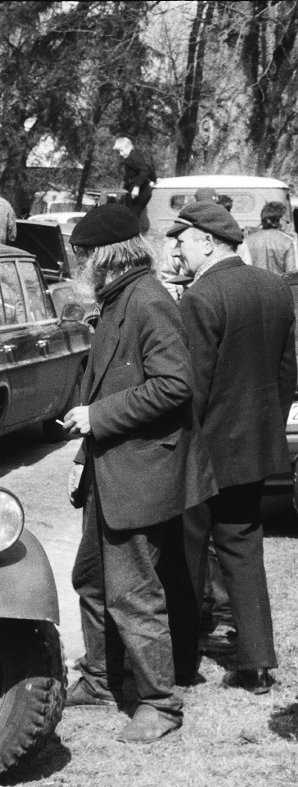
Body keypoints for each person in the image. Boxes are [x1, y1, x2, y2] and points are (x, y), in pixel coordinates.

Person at [59, 204, 213, 743]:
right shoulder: (119, 298)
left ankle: (159, 704)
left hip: (140, 472)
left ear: (106, 256)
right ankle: (101, 680)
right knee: (91, 579)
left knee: (132, 592)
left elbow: (174, 385)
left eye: (83, 256)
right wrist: (84, 457)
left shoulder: (147, 301)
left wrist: (97, 417)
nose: (79, 266)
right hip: (110, 469)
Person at [169, 201, 296, 694]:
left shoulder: (201, 297)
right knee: (243, 548)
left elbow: (192, 388)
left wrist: (180, 447)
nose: (177, 250)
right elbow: (287, 372)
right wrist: (266, 426)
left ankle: (181, 663)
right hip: (255, 446)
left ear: (207, 242)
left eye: (182, 240)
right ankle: (257, 663)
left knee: (187, 553)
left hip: (205, 451)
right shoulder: (274, 287)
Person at [239, 201, 297, 275]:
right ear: (280, 220)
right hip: (278, 281)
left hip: (255, 280)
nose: (288, 223)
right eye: (287, 221)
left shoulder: (247, 241)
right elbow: (291, 273)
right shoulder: (288, 241)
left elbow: (244, 269)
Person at [114, 137, 155, 230]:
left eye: (121, 150)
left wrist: (137, 187)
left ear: (128, 147)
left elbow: (144, 170)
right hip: (134, 190)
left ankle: (132, 236)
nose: (120, 154)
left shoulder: (134, 156)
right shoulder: (130, 157)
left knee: (132, 217)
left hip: (141, 191)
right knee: (129, 215)